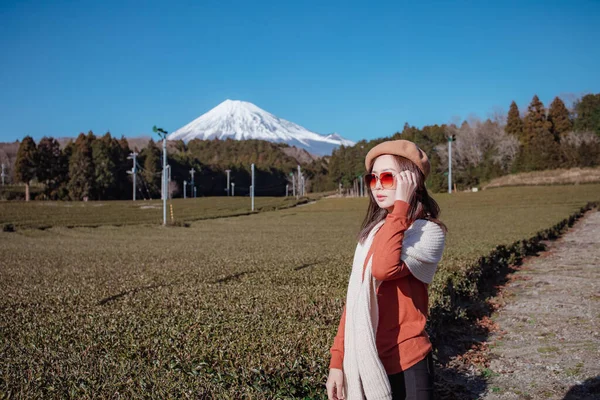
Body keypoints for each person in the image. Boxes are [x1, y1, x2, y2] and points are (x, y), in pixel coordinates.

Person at [325, 140, 448, 400]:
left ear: (410, 180)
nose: (378, 185)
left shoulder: (429, 233)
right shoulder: (373, 234)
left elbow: (383, 268)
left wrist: (401, 207)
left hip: (408, 362)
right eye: (374, 178)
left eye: (388, 177)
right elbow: (354, 302)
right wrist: (337, 362)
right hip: (366, 358)